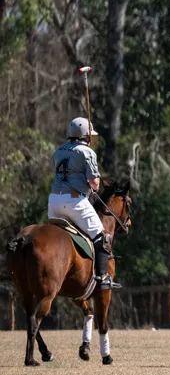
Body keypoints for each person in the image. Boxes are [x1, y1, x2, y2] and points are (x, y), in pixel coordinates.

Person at [49, 117, 120, 290]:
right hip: (75, 202)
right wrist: (93, 184)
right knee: (103, 236)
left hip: (54, 201)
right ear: (86, 136)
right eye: (90, 136)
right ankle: (102, 277)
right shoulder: (87, 152)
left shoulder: (58, 151)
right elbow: (94, 183)